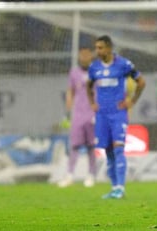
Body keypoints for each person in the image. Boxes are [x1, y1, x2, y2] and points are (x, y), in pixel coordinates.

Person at [86, 35, 146, 199]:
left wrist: (132, 101)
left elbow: (141, 82)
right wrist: (92, 103)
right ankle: (114, 188)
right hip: (102, 115)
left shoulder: (123, 64)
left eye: (100, 48)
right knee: (108, 151)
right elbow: (88, 85)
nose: (97, 51)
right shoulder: (94, 67)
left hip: (118, 113)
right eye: (96, 48)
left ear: (109, 48)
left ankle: (120, 187)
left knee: (119, 148)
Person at [58, 47, 96, 188]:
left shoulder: (97, 72)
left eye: (87, 54)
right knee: (74, 145)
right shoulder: (74, 72)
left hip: (92, 114)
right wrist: (68, 111)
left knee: (91, 146)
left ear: (91, 55)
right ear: (79, 56)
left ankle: (91, 175)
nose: (84, 57)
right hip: (78, 115)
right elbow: (70, 91)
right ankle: (69, 175)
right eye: (82, 54)